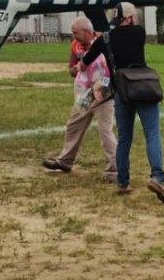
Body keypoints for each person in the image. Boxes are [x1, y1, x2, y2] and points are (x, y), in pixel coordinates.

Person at [78, 2, 164, 204]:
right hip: (145, 88)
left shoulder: (105, 39)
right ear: (129, 18)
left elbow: (85, 62)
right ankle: (157, 177)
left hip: (122, 91)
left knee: (124, 138)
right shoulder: (139, 33)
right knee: (152, 133)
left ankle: (122, 181)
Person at [42, 16, 117, 177]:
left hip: (104, 91)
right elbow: (70, 69)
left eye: (75, 32)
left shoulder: (103, 41)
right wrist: (75, 69)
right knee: (74, 124)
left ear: (86, 31)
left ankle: (114, 167)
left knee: (105, 130)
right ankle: (65, 161)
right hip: (85, 94)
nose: (73, 36)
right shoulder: (75, 46)